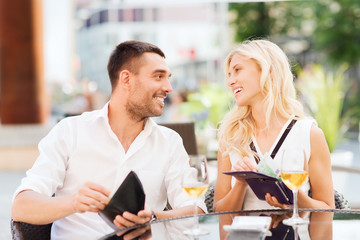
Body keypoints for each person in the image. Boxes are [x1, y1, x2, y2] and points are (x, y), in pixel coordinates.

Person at [11, 40, 206, 240]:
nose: (169, 87)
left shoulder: (170, 142)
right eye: (158, 76)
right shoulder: (70, 132)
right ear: (126, 79)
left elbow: (195, 209)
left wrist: (154, 218)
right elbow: (21, 207)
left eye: (168, 78)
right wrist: (73, 203)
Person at [213, 39, 334, 239]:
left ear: (267, 70)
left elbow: (326, 212)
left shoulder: (309, 133)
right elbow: (221, 214)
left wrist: (295, 198)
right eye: (229, 74)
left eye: (237, 70)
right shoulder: (230, 136)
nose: (230, 81)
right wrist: (242, 183)